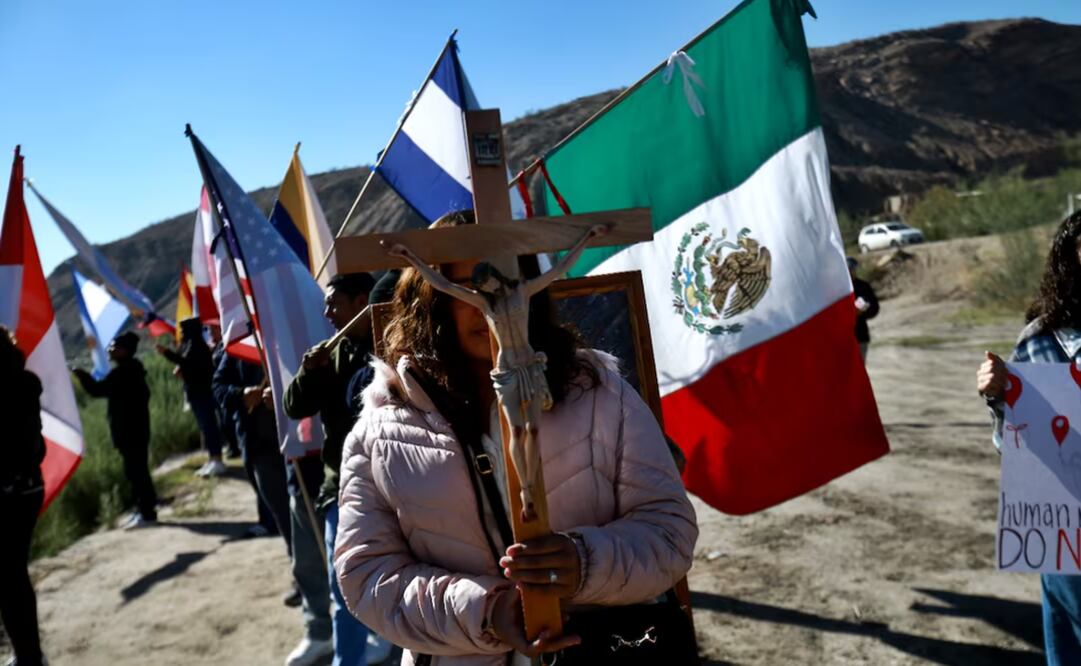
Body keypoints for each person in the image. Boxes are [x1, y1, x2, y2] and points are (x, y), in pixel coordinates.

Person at [333, 210, 699, 664]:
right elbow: (365, 575)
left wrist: (585, 562)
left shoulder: (600, 395)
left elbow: (669, 530)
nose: (488, 300)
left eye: (507, 279)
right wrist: (484, 611)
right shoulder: (381, 431)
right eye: (467, 285)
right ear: (433, 296)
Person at [976, 211, 1081, 666]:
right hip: (1065, 519)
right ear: (1069, 266)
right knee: (1069, 634)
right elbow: (1014, 445)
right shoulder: (1039, 342)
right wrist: (1000, 394)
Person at [285, 271, 392, 665]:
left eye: (334, 303)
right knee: (342, 580)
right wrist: (308, 375)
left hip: (394, 485)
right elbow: (294, 406)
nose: (327, 312)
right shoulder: (329, 352)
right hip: (344, 485)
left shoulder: (392, 341)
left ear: (362, 300)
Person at [73, 331, 157, 528]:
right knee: (139, 470)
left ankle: (146, 513)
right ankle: (146, 507)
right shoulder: (131, 370)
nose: (110, 351)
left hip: (130, 432)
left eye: (114, 348)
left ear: (124, 351)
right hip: (136, 431)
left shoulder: (124, 373)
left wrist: (83, 376)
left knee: (136, 472)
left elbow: (97, 390)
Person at [0, 327, 47, 666]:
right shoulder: (25, 382)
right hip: (28, 487)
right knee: (14, 573)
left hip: (7, 492)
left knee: (10, 577)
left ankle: (28, 656)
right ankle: (29, 654)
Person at [157, 317, 225, 478]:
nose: (182, 334)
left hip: (203, 393)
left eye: (184, 331)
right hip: (195, 393)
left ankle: (217, 459)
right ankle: (212, 459)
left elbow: (188, 364)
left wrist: (167, 353)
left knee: (209, 427)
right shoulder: (189, 345)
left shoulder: (197, 346)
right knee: (205, 428)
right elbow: (186, 364)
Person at [847, 257, 879, 362]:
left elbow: (874, 308)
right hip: (842, 338)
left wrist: (862, 312)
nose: (851, 272)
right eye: (848, 269)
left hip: (860, 336)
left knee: (860, 371)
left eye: (852, 269)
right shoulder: (837, 289)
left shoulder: (863, 286)